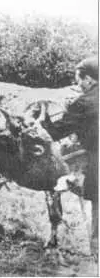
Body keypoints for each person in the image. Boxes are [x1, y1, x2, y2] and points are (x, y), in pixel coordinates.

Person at [42, 55, 98, 256]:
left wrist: (43, 120)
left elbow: (55, 132)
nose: (78, 85)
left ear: (88, 79)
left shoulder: (82, 103)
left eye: (78, 80)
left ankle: (97, 254)